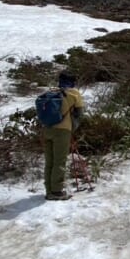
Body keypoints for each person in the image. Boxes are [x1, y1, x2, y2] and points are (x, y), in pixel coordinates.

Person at [42, 72, 84, 200]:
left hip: (47, 129)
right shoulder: (74, 93)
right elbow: (80, 113)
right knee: (59, 161)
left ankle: (49, 190)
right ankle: (56, 192)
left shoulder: (51, 92)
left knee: (49, 161)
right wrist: (73, 127)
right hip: (63, 131)